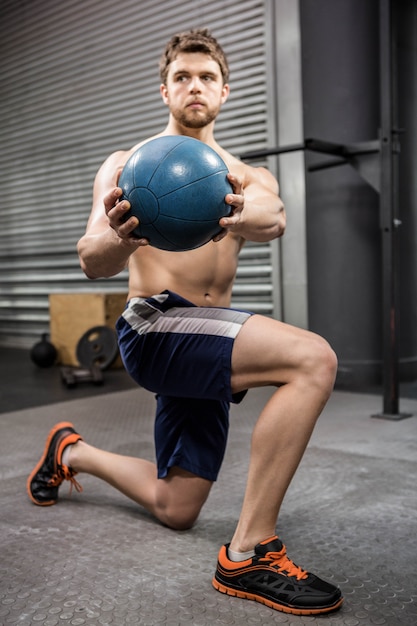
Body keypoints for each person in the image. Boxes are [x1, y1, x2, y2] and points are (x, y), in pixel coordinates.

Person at [27, 29, 343, 616]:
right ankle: (249, 556)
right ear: (165, 90)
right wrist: (121, 238)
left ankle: (71, 453)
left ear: (225, 92)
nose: (194, 86)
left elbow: (273, 218)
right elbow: (92, 257)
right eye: (182, 77)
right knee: (313, 360)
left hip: (207, 338)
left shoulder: (242, 176)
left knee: (177, 507)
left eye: (206, 78)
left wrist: (235, 212)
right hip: (152, 328)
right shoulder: (127, 166)